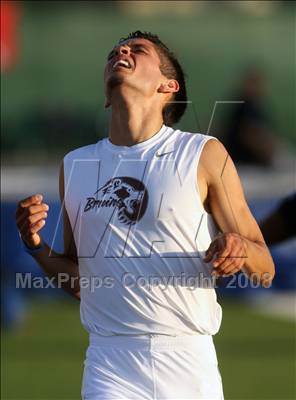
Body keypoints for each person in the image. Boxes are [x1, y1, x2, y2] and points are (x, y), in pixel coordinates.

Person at [16, 31, 275, 400]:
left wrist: (239, 248)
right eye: (114, 52)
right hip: (109, 365)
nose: (121, 51)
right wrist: (34, 244)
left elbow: (265, 269)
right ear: (107, 97)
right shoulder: (75, 166)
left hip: (188, 362)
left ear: (168, 86)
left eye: (138, 50)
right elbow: (79, 284)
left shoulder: (203, 154)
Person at [221, 67, 275, 166]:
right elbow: (249, 135)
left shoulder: (251, 104)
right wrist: (267, 154)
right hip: (244, 163)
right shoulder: (245, 107)